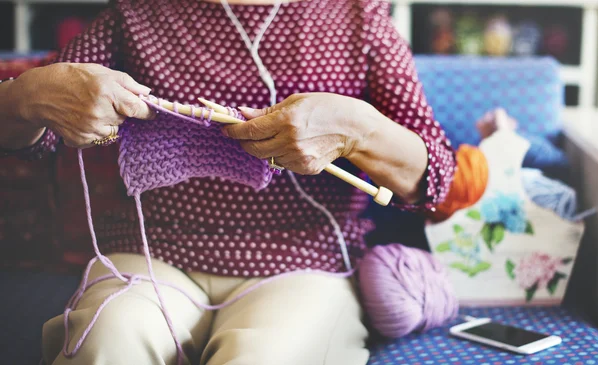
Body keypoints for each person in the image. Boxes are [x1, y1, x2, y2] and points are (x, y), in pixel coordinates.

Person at [0, 0, 455, 364]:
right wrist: (27, 97)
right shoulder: (136, 14)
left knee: (268, 356)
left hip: (303, 261)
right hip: (150, 256)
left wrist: (360, 130)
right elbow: (35, 137)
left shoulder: (357, 17)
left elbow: (434, 176)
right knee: (110, 340)